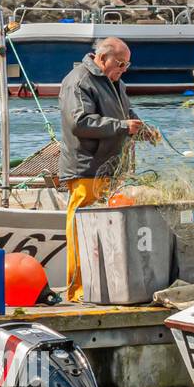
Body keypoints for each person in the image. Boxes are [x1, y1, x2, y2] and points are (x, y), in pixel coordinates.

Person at [58, 37, 150, 301]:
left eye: (127, 64)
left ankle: (105, 285)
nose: (123, 69)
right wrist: (122, 127)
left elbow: (126, 113)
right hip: (87, 169)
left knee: (107, 232)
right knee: (81, 231)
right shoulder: (78, 81)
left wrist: (141, 129)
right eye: (120, 63)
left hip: (111, 169)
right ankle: (77, 290)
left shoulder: (114, 82)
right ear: (102, 58)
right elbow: (80, 122)